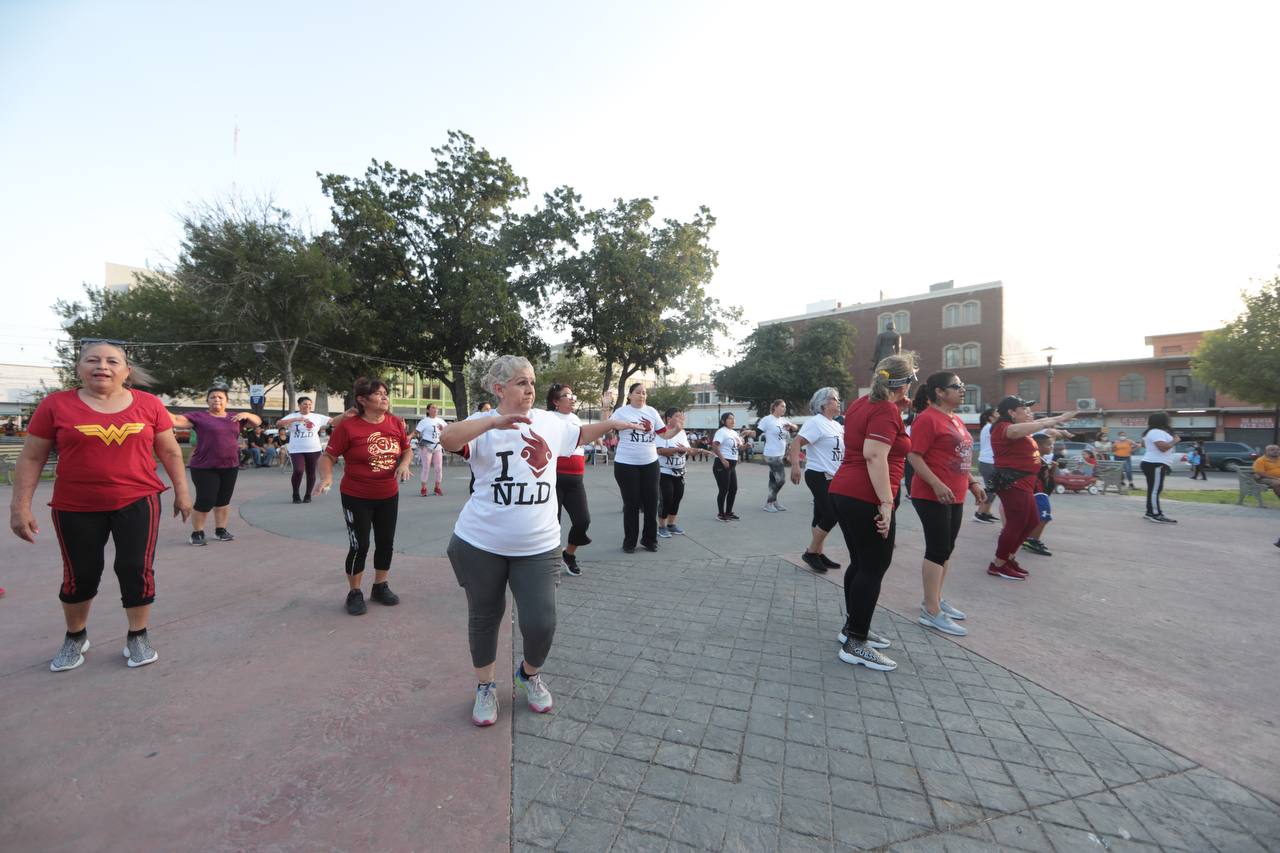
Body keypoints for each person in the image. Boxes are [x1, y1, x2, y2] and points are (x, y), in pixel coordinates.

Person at [440, 356, 642, 726]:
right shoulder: (479, 425)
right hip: (480, 542)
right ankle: (485, 686)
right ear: (500, 389)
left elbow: (578, 436)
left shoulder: (548, 421)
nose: (530, 388)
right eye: (520, 382)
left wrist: (610, 423)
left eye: (531, 381)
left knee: (541, 623)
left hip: (538, 545)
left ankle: (528, 674)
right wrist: (494, 421)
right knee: (485, 616)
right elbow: (447, 439)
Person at [9, 341, 192, 671]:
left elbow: (170, 452)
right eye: (92, 360)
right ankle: (75, 636)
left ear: (127, 371)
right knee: (81, 573)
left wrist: (182, 492)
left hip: (138, 500)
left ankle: (138, 635)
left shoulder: (149, 404)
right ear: (78, 368)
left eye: (112, 361)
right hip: (75, 505)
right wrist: (19, 507)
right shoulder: (55, 405)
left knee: (135, 567)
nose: (102, 366)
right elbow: (32, 457)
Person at [829, 353, 917, 671]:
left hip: (844, 490)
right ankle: (856, 642)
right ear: (904, 383)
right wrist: (886, 503)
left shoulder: (860, 404)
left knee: (862, 563)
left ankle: (852, 630)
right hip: (865, 495)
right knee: (874, 567)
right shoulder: (885, 409)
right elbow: (874, 455)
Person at [314, 378, 413, 615]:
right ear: (362, 399)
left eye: (385, 393)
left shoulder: (395, 423)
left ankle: (380, 586)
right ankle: (355, 592)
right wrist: (326, 478)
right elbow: (327, 457)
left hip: (388, 493)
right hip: (356, 495)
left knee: (385, 542)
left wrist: (404, 464)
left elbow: (406, 448)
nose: (384, 397)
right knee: (360, 545)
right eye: (378, 394)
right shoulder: (348, 427)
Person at [906, 372, 986, 637]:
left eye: (962, 386)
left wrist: (973, 483)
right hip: (931, 495)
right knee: (937, 549)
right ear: (940, 392)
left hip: (956, 494)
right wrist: (937, 484)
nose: (962, 390)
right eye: (957, 386)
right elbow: (914, 456)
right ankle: (930, 611)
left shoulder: (957, 420)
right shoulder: (927, 419)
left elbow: (960, 456)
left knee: (947, 550)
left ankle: (936, 599)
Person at [987, 397, 1079, 579]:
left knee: (1031, 521)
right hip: (1013, 483)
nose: (1029, 412)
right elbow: (1037, 425)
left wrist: (1056, 422)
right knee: (1016, 523)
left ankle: (1009, 557)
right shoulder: (1004, 428)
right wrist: (1058, 418)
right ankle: (998, 564)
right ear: (1011, 413)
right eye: (1024, 409)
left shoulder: (1020, 428)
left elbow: (1038, 424)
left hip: (1025, 482)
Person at [169, 387, 261, 545]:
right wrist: (153, 405)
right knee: (206, 500)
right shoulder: (199, 417)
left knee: (223, 501)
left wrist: (247, 414)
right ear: (207, 401)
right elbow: (176, 420)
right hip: (204, 466)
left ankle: (220, 530)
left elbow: (257, 421)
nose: (216, 400)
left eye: (220, 397)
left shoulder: (235, 418)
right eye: (213, 397)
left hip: (230, 465)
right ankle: (197, 533)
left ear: (226, 401)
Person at [790, 387, 844, 574]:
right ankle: (811, 552)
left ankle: (819, 554)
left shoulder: (836, 424)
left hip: (833, 476)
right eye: (836, 399)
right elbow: (796, 442)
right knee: (832, 514)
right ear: (825, 403)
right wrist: (795, 466)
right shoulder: (816, 423)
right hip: (818, 474)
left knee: (820, 515)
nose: (839, 402)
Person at [611, 383, 664, 552]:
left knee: (651, 503)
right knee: (632, 504)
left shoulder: (652, 412)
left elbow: (664, 433)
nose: (642, 395)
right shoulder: (622, 412)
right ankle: (630, 542)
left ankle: (650, 540)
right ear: (630, 395)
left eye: (644, 393)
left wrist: (676, 428)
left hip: (650, 463)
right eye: (638, 392)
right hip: (626, 464)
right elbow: (608, 427)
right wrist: (608, 409)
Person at [547, 384, 591, 575]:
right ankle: (551, 561)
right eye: (566, 395)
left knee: (582, 521)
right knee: (552, 524)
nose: (572, 398)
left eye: (572, 394)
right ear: (556, 401)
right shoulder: (548, 419)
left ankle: (569, 554)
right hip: (553, 478)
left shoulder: (575, 418)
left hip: (576, 480)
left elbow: (588, 438)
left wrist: (605, 411)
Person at [278, 397, 333, 504]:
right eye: (304, 404)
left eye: (309, 404)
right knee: (298, 470)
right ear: (299, 405)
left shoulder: (316, 417)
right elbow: (279, 423)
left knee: (311, 472)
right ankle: (295, 494)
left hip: (314, 449)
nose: (307, 406)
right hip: (296, 449)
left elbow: (333, 421)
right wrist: (296, 419)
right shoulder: (293, 416)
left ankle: (308, 495)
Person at [757, 399, 797, 513]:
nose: (784, 409)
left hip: (780, 454)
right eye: (782, 406)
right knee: (781, 480)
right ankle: (769, 503)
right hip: (771, 454)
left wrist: (790, 425)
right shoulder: (767, 420)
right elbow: (757, 432)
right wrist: (747, 434)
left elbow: (795, 428)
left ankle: (774, 501)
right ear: (775, 407)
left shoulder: (783, 420)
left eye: (785, 407)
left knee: (773, 479)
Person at [1140, 413, 1182, 523]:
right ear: (1162, 421)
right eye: (1168, 419)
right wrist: (1175, 440)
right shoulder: (1156, 432)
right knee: (1155, 490)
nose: (1169, 421)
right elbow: (1162, 448)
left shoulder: (1151, 432)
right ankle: (1155, 514)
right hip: (1156, 463)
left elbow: (1144, 444)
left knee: (1153, 489)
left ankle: (1150, 512)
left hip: (1152, 462)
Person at [712, 413, 754, 521]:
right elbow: (715, 447)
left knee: (733, 489)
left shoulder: (734, 433)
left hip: (731, 465)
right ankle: (721, 514)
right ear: (723, 421)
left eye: (733, 419)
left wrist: (745, 446)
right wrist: (722, 459)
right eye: (730, 419)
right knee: (723, 490)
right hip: (721, 464)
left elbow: (738, 448)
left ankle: (729, 512)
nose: (732, 420)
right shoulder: (721, 432)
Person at [656, 407, 690, 538]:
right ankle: (662, 526)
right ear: (668, 419)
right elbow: (660, 451)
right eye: (677, 416)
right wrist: (676, 449)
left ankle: (671, 524)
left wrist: (684, 450)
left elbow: (686, 448)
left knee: (677, 498)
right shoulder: (661, 432)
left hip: (680, 471)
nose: (681, 418)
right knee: (666, 498)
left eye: (682, 416)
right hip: (664, 471)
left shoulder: (682, 433)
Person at [1021, 433, 1056, 557]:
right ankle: (1032, 540)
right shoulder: (1034, 459)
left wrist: (1051, 470)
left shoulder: (1040, 459)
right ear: (1038, 446)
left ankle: (1030, 538)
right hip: (1037, 493)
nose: (1051, 447)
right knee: (1043, 516)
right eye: (1048, 445)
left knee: (1040, 517)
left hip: (1040, 492)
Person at [973, 406, 999, 523]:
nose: (999, 414)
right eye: (996, 413)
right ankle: (979, 513)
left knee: (993, 489)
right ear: (990, 417)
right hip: (988, 462)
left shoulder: (988, 427)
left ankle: (986, 512)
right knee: (991, 489)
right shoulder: (990, 427)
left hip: (989, 462)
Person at [414, 403, 447, 496]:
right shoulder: (424, 421)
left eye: (436, 408)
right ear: (428, 410)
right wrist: (415, 439)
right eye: (433, 408)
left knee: (439, 468)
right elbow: (417, 432)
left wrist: (443, 429)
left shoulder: (441, 420)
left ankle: (437, 487)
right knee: (426, 467)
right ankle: (423, 488)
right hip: (426, 446)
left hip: (438, 446)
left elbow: (448, 431)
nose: (435, 410)